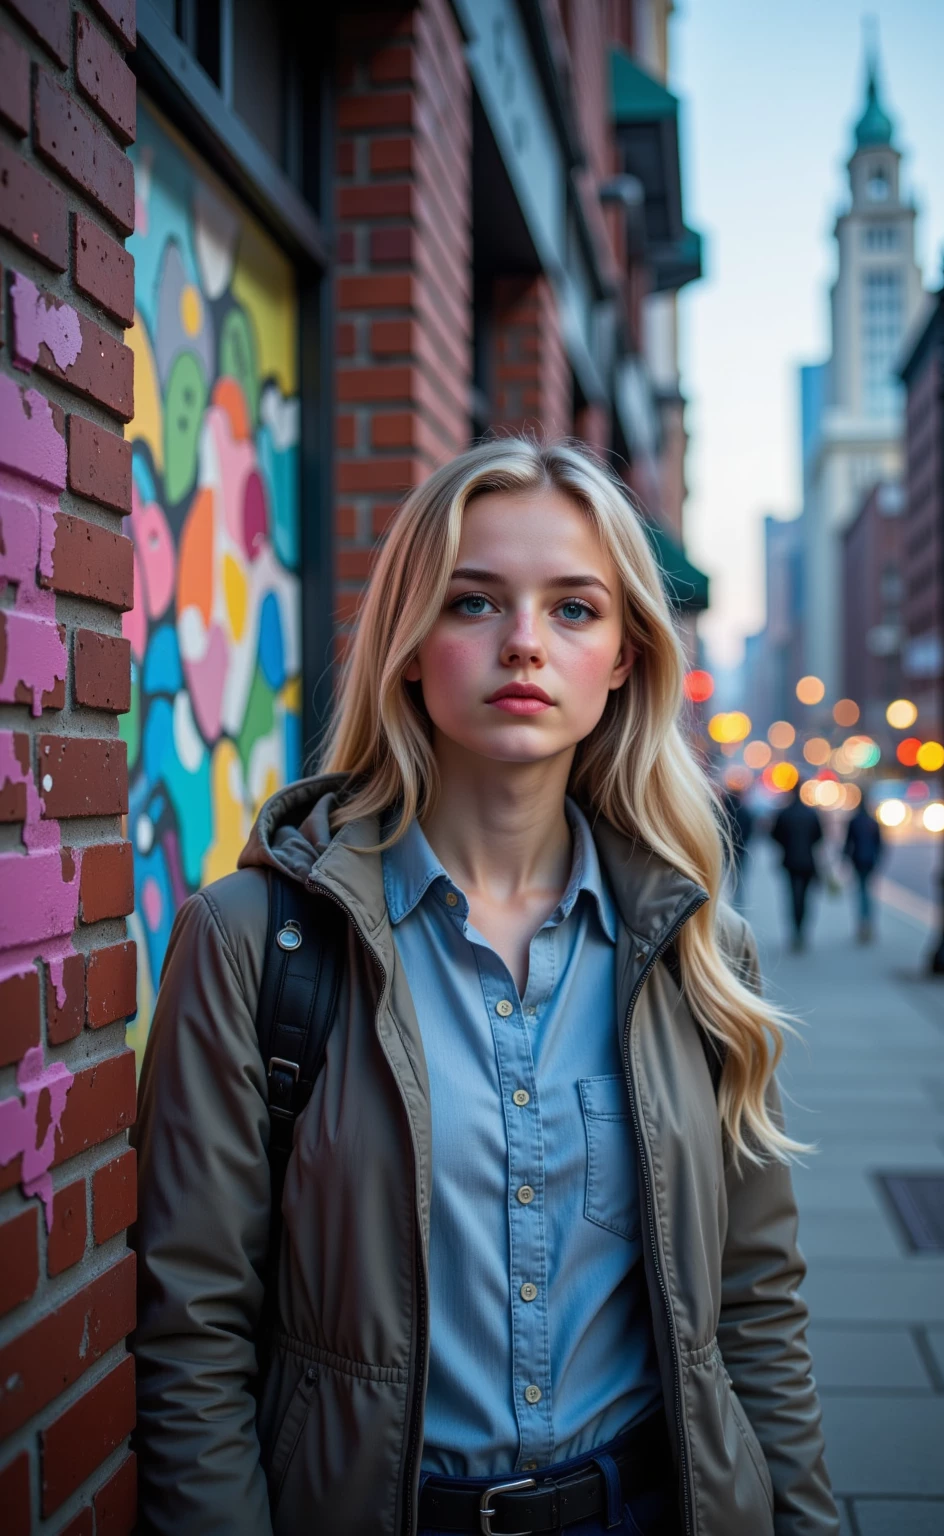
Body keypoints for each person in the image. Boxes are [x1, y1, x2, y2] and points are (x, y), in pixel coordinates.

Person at [132, 438, 840, 1536]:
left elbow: (752, 1311)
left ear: (623, 660)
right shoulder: (252, 943)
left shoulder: (701, 953)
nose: (523, 643)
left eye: (573, 610)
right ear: (410, 646)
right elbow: (192, 1334)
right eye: (473, 603)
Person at [769, 782, 824, 951]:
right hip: (808, 862)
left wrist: (786, 846)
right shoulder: (810, 813)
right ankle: (802, 930)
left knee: (793, 896)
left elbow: (774, 834)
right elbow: (819, 836)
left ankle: (795, 931)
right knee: (806, 898)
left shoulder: (785, 813)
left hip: (790, 861)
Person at [843, 797, 883, 943]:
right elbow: (879, 843)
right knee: (867, 892)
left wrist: (844, 859)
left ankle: (862, 923)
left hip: (858, 860)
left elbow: (848, 843)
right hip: (869, 861)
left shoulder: (854, 821)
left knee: (861, 891)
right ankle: (868, 923)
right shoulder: (872, 821)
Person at [720, 780, 754, 908]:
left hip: (724, 851)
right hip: (740, 851)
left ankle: (726, 904)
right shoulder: (745, 812)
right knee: (738, 879)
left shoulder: (723, 812)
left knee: (724, 878)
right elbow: (749, 831)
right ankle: (737, 905)